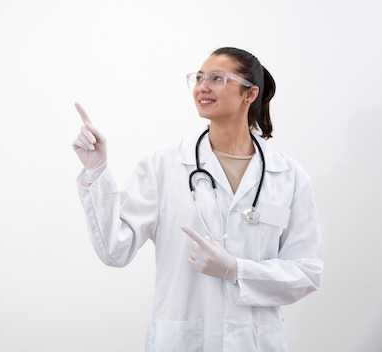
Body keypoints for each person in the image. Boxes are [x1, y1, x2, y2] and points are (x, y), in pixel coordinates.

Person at [71, 47, 322, 351]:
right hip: (183, 341)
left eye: (217, 78)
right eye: (199, 77)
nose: (202, 86)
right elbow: (115, 250)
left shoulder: (288, 176)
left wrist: (236, 270)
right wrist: (97, 170)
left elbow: (306, 272)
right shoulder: (163, 164)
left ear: (250, 94)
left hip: (255, 342)